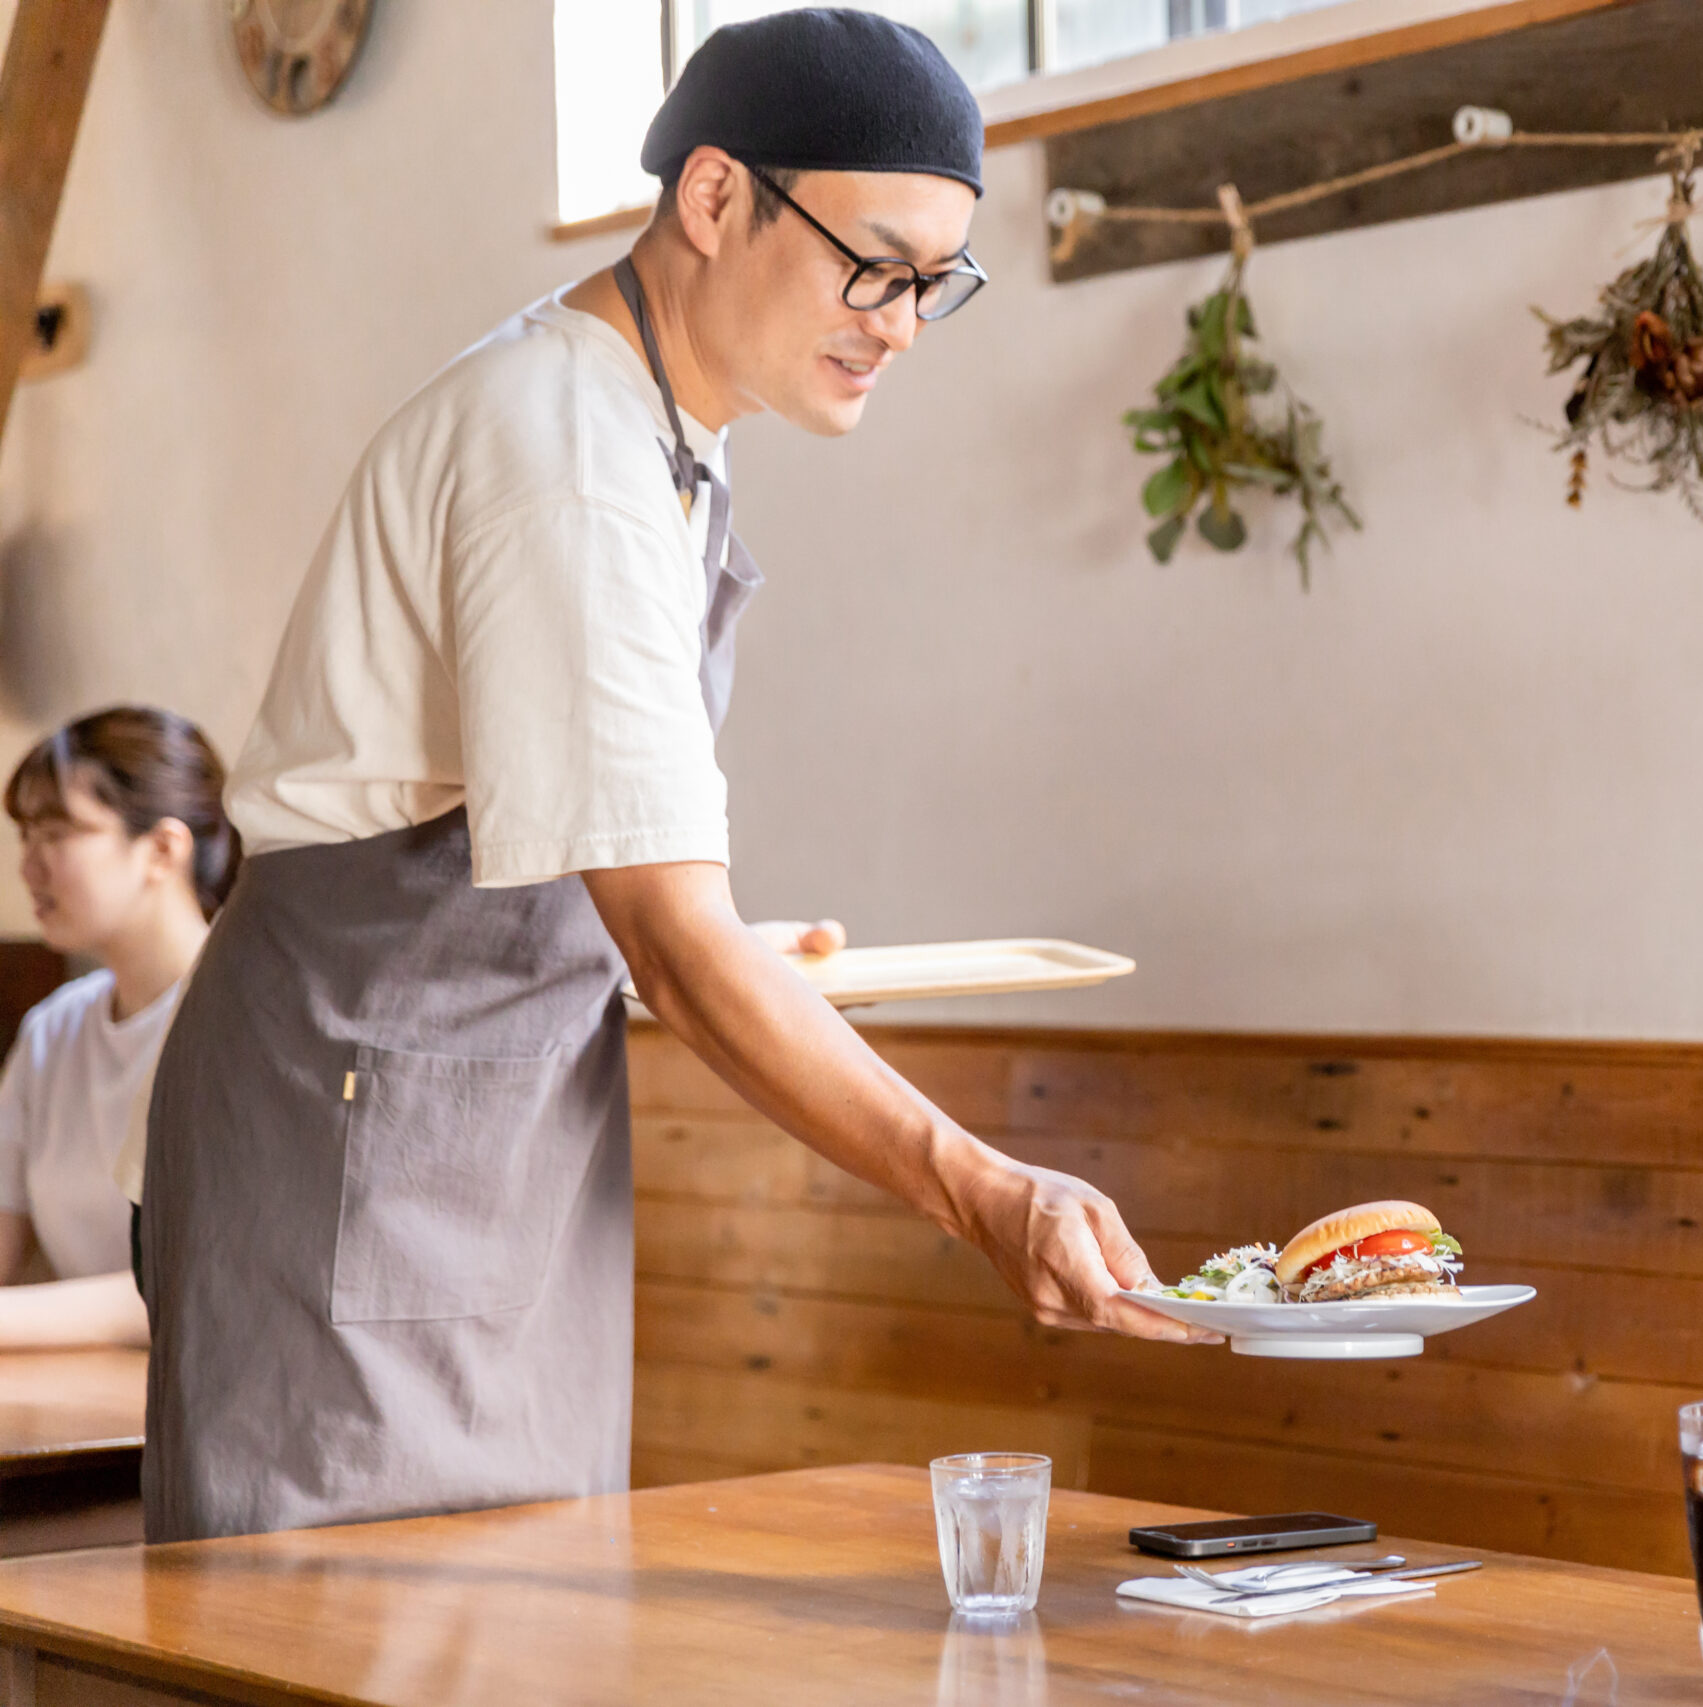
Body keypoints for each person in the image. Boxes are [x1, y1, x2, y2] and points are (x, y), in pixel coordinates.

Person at [141, 9, 1209, 1546]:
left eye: (935, 284)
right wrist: (984, 1187)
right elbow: (669, 939)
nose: (901, 321)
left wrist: (686, 952)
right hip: (355, 1134)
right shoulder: (564, 447)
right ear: (714, 199)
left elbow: (594, 887)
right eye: (875, 262)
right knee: (346, 1634)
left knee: (514, 1612)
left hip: (488, 1136)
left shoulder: (664, 434)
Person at [0, 707, 236, 1350]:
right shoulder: (52, 1031)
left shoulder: (242, 1019)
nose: (29, 867)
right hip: (82, 1411)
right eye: (26, 837)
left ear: (162, 849)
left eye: (58, 834)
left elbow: (184, 1283)